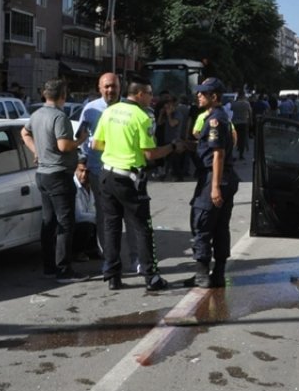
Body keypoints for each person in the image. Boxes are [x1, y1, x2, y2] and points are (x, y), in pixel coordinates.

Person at [93, 77, 185, 291]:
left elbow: (97, 144)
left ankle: (112, 275)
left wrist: (118, 147)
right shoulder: (142, 117)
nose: (153, 99)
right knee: (143, 228)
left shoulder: (110, 111)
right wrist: (172, 146)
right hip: (129, 178)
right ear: (140, 94)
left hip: (107, 175)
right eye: (150, 94)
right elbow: (150, 153)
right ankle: (151, 277)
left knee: (111, 226)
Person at [20, 79, 88, 283]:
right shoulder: (59, 116)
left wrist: (37, 152)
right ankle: (63, 270)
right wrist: (81, 140)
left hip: (42, 174)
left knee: (48, 222)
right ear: (63, 96)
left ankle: (49, 267)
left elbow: (24, 133)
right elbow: (64, 146)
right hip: (59, 175)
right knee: (65, 223)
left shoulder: (37, 114)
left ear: (44, 95)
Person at [186, 78, 238, 288]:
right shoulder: (217, 117)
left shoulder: (215, 120)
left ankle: (202, 275)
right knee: (220, 228)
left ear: (214, 97)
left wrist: (215, 187)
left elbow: (218, 154)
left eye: (203, 93)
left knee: (202, 225)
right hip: (224, 177)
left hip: (214, 177)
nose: (198, 96)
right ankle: (217, 274)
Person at [77, 73, 121, 263]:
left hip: (123, 170)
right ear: (99, 88)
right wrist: (81, 163)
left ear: (120, 87)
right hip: (98, 170)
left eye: (113, 86)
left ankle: (135, 258)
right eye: (106, 86)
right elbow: (81, 138)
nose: (110, 90)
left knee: (125, 214)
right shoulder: (90, 109)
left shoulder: (127, 108)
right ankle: (109, 256)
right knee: (104, 214)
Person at [229, 92, 252, 160]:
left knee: (233, 139)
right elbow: (250, 113)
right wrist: (251, 121)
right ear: (243, 97)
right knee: (242, 139)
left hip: (235, 123)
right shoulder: (246, 104)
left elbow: (231, 109)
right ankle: (241, 155)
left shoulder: (234, 104)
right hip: (244, 123)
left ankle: (231, 155)